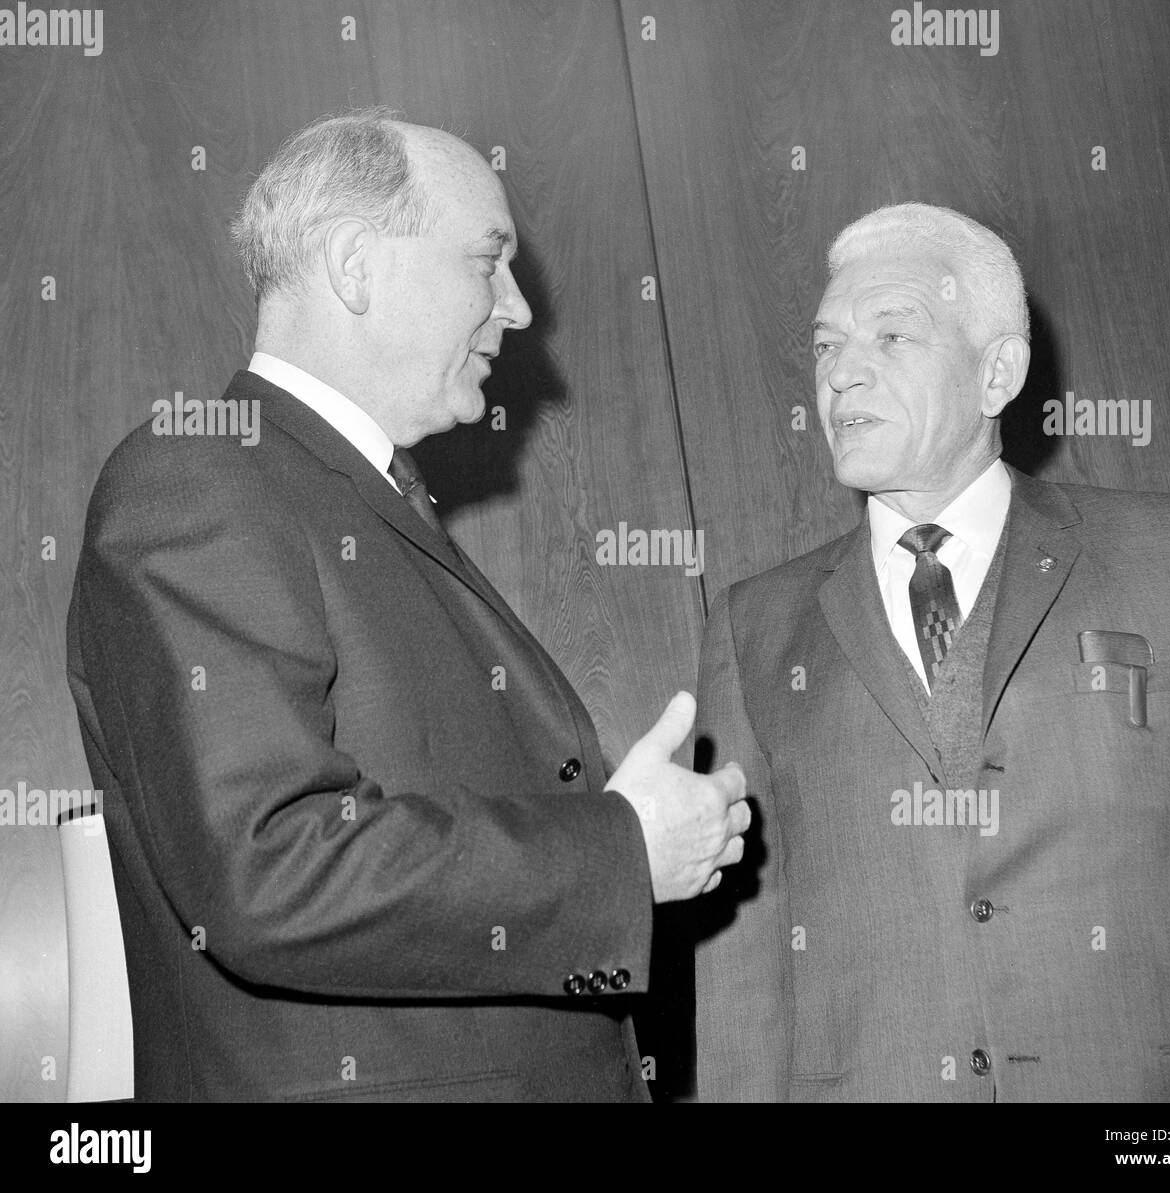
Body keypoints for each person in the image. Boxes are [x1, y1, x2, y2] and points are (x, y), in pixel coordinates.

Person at [65, 107, 748, 1103]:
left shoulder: (341, 492)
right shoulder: (200, 476)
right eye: (488, 260)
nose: (517, 308)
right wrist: (618, 849)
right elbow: (269, 868)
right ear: (355, 263)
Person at [693, 202, 1170, 1102]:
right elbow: (742, 975)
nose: (841, 375)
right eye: (825, 348)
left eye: (890, 335)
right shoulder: (754, 627)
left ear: (997, 372)